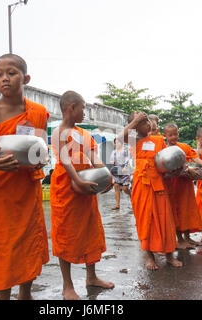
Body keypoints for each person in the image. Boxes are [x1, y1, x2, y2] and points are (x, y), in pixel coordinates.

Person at [0, 54, 49, 300]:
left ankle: (25, 294)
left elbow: (37, 146)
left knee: (30, 243)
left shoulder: (39, 111)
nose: (4, 79)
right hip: (1, 195)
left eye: (11, 73)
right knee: (3, 250)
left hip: (28, 189)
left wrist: (42, 158)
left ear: (26, 78)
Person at [50, 91, 114, 300]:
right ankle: (67, 286)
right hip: (66, 187)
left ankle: (91, 277)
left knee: (91, 230)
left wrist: (107, 176)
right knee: (65, 235)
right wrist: (76, 180)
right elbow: (65, 161)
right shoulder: (58, 132)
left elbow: (94, 158)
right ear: (71, 108)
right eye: (83, 108)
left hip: (86, 185)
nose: (85, 112)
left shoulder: (83, 134)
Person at [120, 112, 182, 270]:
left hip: (159, 184)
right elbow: (119, 139)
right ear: (135, 126)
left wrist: (173, 171)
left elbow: (164, 162)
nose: (147, 124)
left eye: (147, 121)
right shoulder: (134, 140)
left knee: (165, 220)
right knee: (145, 221)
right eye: (143, 122)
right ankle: (149, 256)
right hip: (142, 186)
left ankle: (169, 255)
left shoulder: (159, 140)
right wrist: (135, 121)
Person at [163, 123, 202, 249]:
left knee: (188, 210)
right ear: (165, 135)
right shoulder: (164, 149)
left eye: (175, 134)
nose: (173, 137)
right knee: (177, 211)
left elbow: (194, 158)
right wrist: (186, 169)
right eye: (170, 135)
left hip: (186, 185)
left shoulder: (184, 147)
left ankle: (188, 237)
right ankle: (180, 239)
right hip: (173, 185)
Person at [109, 138, 131, 210]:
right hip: (116, 171)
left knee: (125, 188)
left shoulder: (125, 151)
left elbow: (127, 161)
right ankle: (117, 205)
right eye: (115, 143)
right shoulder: (113, 152)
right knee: (116, 186)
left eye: (118, 142)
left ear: (121, 143)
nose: (117, 144)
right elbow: (112, 162)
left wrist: (125, 167)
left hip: (125, 171)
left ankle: (131, 195)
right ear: (114, 144)